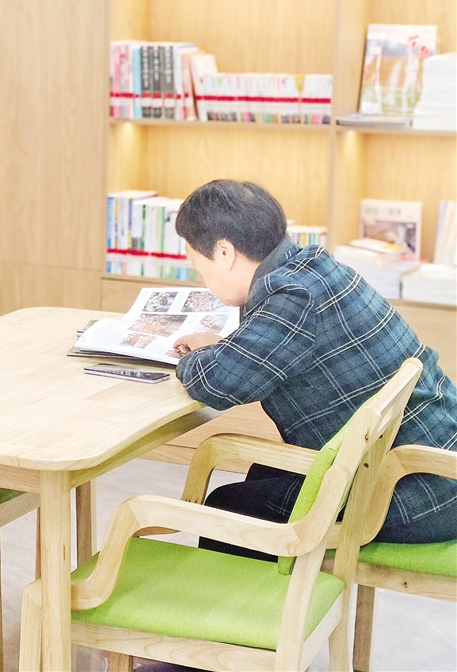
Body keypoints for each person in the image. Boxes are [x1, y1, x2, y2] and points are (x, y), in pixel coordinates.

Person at [171, 179, 457, 558]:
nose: (202, 279)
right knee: (263, 473)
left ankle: (277, 598)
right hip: (433, 465)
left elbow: (215, 384)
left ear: (224, 252)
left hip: (415, 494)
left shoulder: (292, 298)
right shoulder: (316, 268)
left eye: (198, 265)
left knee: (228, 506)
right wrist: (223, 348)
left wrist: (193, 356)